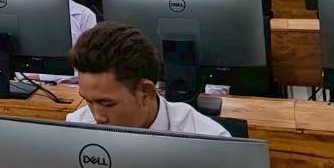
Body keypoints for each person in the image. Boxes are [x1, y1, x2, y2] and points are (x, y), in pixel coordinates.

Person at [66, 21, 229, 136]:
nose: (97, 117)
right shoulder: (77, 126)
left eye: (107, 104)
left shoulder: (210, 141)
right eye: (88, 101)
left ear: (146, 91)